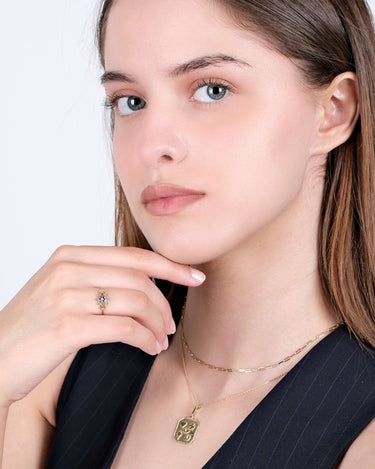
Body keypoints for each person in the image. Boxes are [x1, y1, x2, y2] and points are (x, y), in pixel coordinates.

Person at [2, 0, 375, 467]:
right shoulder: (52, 368)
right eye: (131, 101)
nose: (152, 144)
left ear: (334, 111)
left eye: (213, 90)